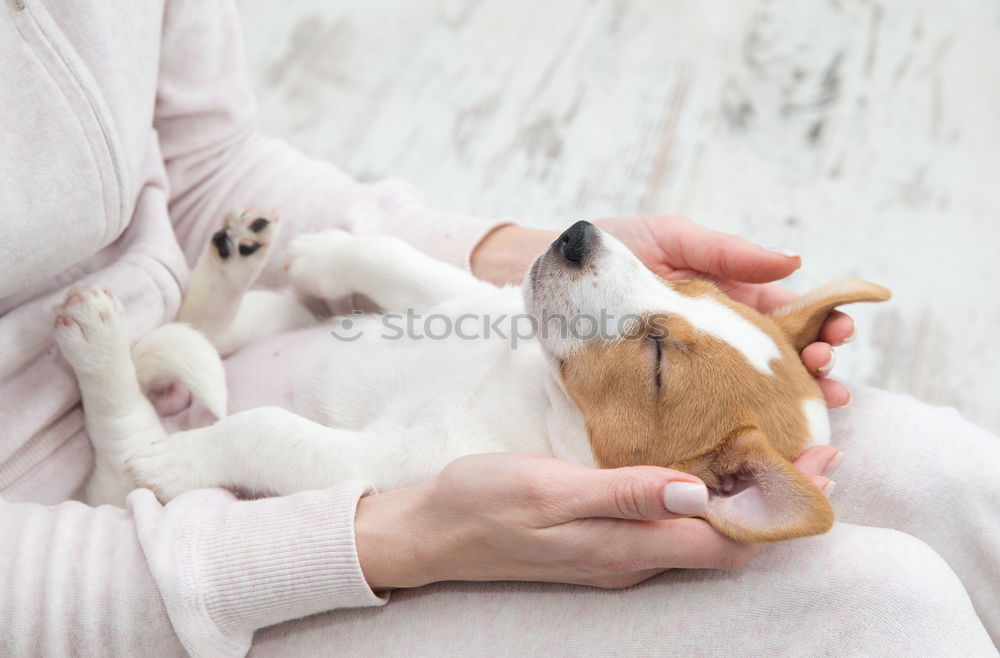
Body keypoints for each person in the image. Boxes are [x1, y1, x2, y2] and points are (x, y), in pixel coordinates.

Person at [1, 3, 996, 656]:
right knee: (885, 606)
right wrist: (406, 540)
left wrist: (508, 260)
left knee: (937, 469)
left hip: (220, 343)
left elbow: (204, 162)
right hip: (101, 568)